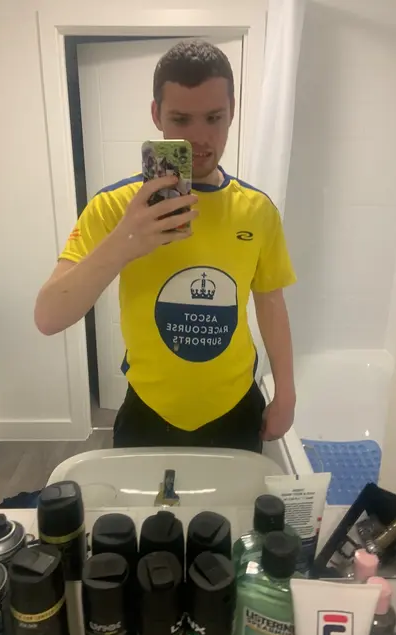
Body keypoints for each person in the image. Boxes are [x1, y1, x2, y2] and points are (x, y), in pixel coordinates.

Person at [34, 40, 297, 453]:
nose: (199, 137)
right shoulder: (115, 207)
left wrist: (287, 393)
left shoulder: (257, 211)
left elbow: (270, 302)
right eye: (180, 119)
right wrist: (123, 243)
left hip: (235, 406)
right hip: (148, 411)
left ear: (232, 111)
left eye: (214, 118)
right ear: (156, 115)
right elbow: (49, 317)